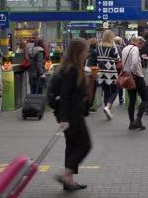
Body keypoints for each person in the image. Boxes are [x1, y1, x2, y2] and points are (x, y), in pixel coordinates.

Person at [54, 38, 91, 191]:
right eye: (85, 51)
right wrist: (64, 118)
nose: (87, 54)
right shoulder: (72, 70)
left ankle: (68, 181)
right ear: (78, 52)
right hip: (72, 115)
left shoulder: (72, 67)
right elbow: (65, 95)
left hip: (71, 114)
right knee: (85, 145)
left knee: (72, 146)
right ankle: (66, 174)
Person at [88, 30, 120, 120]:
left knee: (106, 91)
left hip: (101, 72)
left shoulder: (98, 47)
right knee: (114, 91)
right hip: (111, 72)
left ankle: (107, 110)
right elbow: (117, 60)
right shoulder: (113, 47)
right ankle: (108, 107)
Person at [122, 36, 148, 130]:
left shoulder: (125, 48)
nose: (141, 48)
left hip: (127, 77)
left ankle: (131, 123)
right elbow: (135, 62)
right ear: (138, 43)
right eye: (141, 46)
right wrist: (132, 72)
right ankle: (138, 120)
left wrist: (127, 72)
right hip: (136, 76)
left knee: (132, 100)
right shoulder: (135, 49)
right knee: (145, 99)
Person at [114, 36, 125, 105]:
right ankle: (120, 98)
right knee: (120, 82)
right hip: (120, 66)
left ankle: (112, 96)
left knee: (114, 81)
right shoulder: (121, 47)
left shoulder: (112, 47)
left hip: (113, 67)